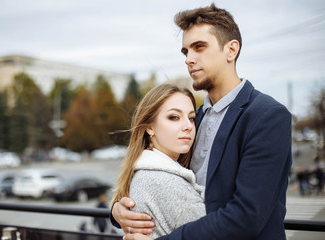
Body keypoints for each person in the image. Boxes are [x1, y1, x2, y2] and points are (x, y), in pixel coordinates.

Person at [110, 3, 292, 240]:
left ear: (231, 50)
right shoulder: (194, 119)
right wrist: (116, 210)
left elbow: (247, 216)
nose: (189, 59)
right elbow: (163, 175)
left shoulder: (267, 116)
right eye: (186, 51)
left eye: (199, 47)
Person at [110, 83, 206, 238]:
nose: (188, 126)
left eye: (192, 118)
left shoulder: (144, 170)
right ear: (149, 127)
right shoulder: (167, 182)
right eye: (174, 117)